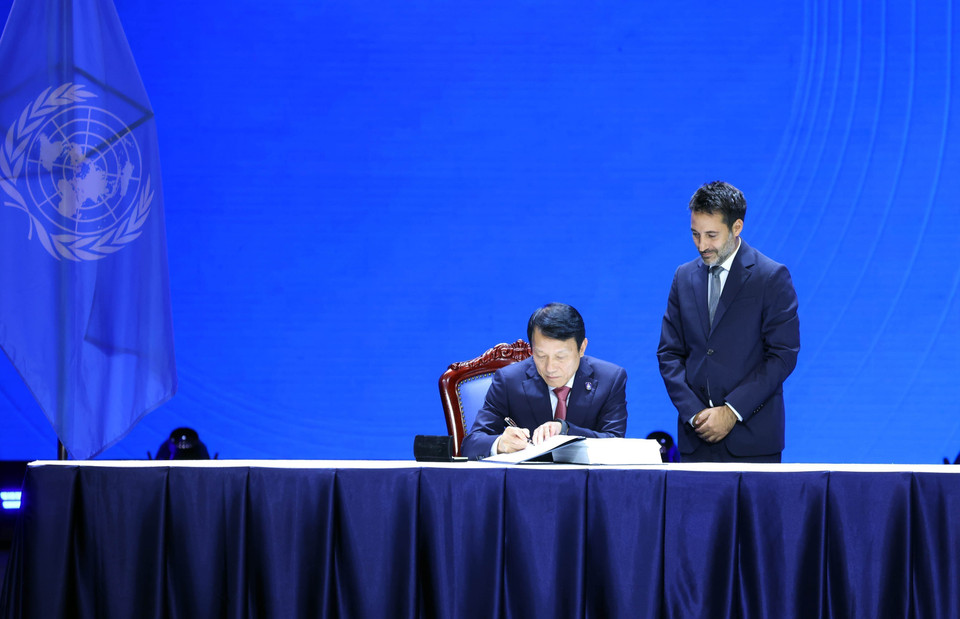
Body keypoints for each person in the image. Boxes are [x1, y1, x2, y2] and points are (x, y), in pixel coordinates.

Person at [657, 181, 800, 463]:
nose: (702, 245)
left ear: (736, 228)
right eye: (695, 234)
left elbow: (783, 355)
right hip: (695, 439)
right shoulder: (683, 277)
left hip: (753, 441)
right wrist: (695, 414)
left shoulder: (770, 277)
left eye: (712, 235)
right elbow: (669, 354)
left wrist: (731, 411)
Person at [461, 303, 628, 460]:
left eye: (561, 357)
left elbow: (615, 443)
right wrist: (500, 444)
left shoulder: (610, 379)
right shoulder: (509, 380)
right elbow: (471, 444)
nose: (550, 368)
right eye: (540, 356)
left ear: (582, 348)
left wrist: (565, 430)